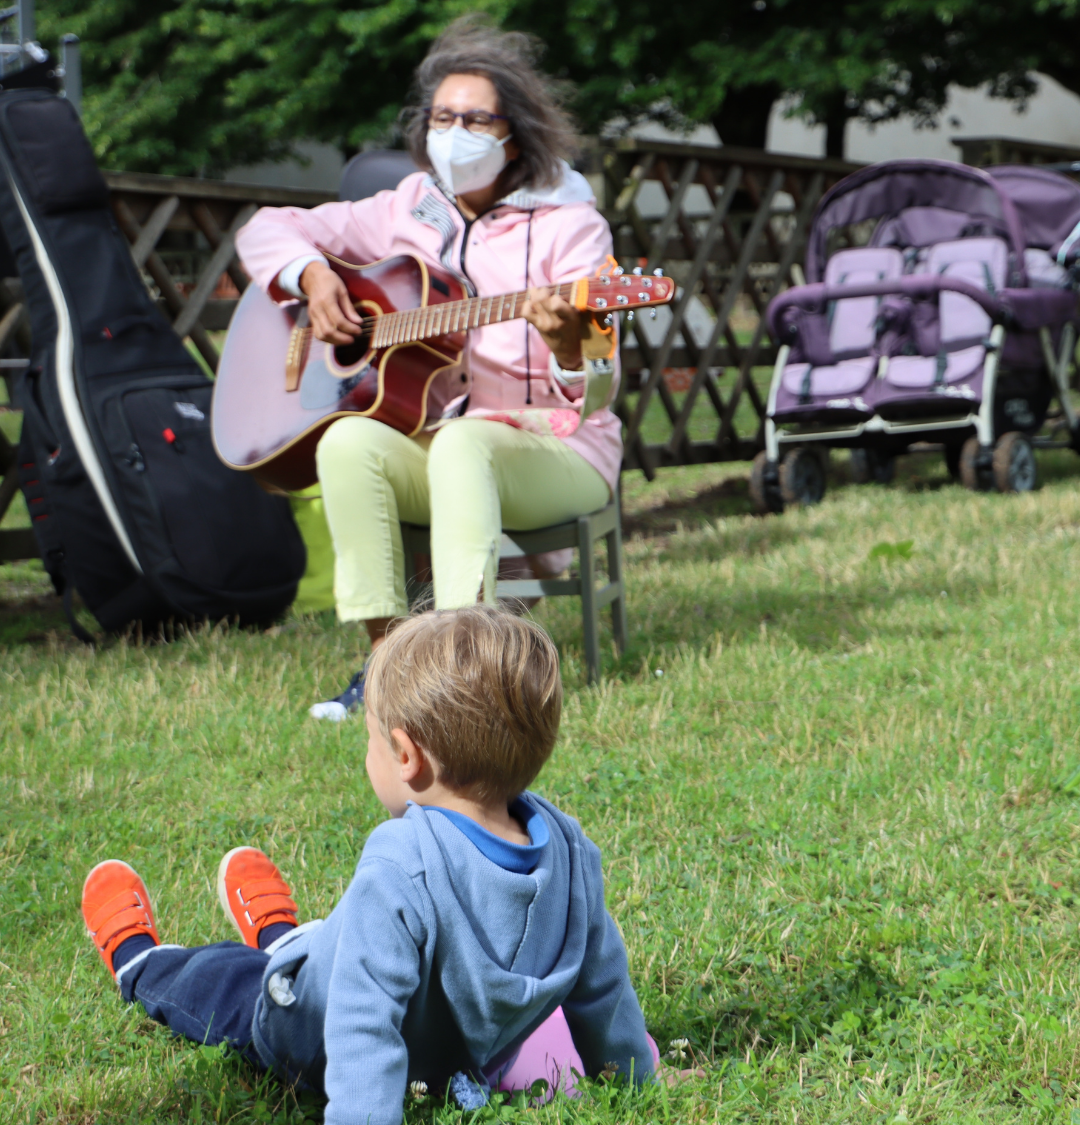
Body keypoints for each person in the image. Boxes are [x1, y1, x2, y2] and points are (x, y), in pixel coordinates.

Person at [78, 606, 662, 1122]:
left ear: (406, 756)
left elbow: (361, 1023)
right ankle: (281, 934)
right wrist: (635, 1081)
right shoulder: (568, 847)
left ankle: (138, 962)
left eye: (372, 739)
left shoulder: (401, 860)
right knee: (335, 944)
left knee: (225, 984)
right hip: (445, 1065)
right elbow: (602, 989)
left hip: (303, 1032)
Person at [235, 16, 620, 720]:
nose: (456, 132)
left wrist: (568, 345)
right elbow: (265, 227)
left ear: (515, 132)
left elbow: (600, 383)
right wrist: (314, 277)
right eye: (443, 116)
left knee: (465, 442)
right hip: (445, 441)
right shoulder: (409, 206)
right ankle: (388, 665)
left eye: (476, 118)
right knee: (349, 440)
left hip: (560, 445)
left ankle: (463, 668)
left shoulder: (573, 227)